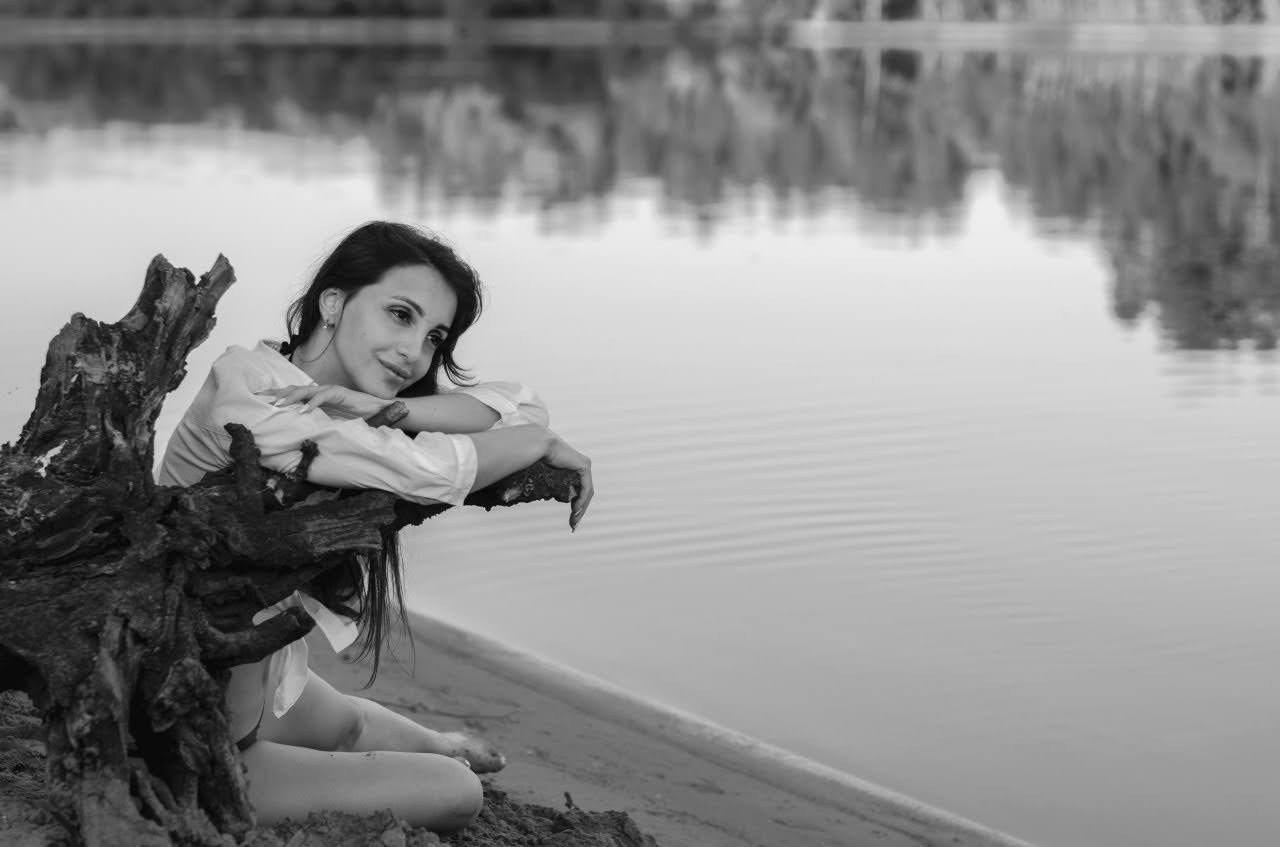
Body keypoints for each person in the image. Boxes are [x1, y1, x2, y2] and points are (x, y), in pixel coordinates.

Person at [157, 221, 593, 831]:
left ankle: (438, 743)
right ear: (333, 302)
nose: (414, 351)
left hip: (254, 684)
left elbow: (519, 403)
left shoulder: (332, 402)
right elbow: (423, 467)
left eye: (434, 335)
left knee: (350, 724)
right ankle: (431, 759)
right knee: (456, 794)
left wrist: (393, 408)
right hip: (195, 744)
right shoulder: (255, 394)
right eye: (400, 314)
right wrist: (536, 443)